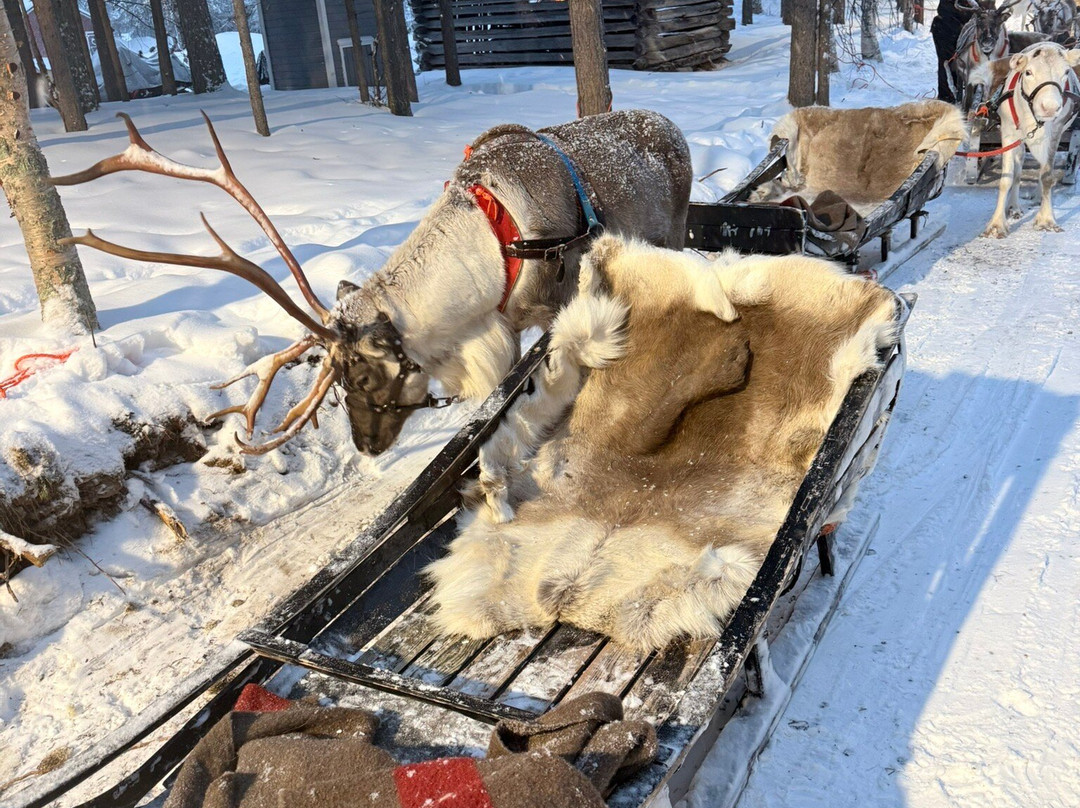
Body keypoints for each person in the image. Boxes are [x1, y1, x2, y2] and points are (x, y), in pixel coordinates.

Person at [932, 0, 975, 103]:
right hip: (945, 27)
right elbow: (945, 9)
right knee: (948, 63)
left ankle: (957, 95)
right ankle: (947, 97)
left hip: (963, 28)